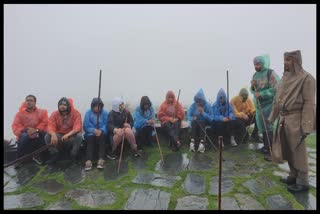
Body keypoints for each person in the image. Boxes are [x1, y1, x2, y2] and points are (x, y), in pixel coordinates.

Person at [268, 50, 315, 193]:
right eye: (284, 60)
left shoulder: (307, 78)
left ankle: (303, 181)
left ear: (296, 61)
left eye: (288, 60)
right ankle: (293, 175)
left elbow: (309, 103)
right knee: (287, 149)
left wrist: (306, 125)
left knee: (297, 151)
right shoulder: (284, 79)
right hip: (283, 119)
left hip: (296, 119)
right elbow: (277, 100)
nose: (285, 63)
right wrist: (272, 117)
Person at [250, 54, 280, 161]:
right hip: (259, 105)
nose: (256, 66)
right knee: (262, 126)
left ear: (263, 64)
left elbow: (277, 88)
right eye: (254, 64)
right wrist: (252, 86)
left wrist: (262, 94)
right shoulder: (255, 75)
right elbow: (253, 90)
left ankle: (272, 150)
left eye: (258, 64)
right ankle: (266, 146)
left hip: (269, 104)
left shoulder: (270, 73)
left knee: (268, 125)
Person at [11, 95, 48, 165]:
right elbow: (15, 127)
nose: (28, 102)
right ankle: (20, 159)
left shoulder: (42, 112)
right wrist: (26, 130)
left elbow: (45, 123)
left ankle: (44, 156)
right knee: (24, 136)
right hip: (25, 134)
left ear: (35, 102)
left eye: (31, 100)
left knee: (45, 135)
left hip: (38, 133)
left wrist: (36, 130)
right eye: (27, 100)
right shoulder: (19, 115)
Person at [45, 97, 83, 164]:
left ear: (68, 105)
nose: (62, 106)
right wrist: (53, 135)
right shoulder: (54, 114)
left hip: (71, 136)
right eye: (60, 104)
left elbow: (78, 127)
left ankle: (73, 154)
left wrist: (68, 135)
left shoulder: (76, 113)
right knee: (47, 136)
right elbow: (50, 125)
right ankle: (55, 154)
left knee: (79, 136)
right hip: (59, 137)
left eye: (64, 104)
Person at [83, 98, 109, 171]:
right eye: (95, 106)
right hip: (91, 133)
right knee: (90, 139)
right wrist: (93, 130)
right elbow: (86, 125)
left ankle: (101, 159)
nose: (97, 108)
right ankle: (88, 160)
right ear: (92, 106)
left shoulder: (105, 113)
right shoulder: (88, 113)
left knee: (102, 137)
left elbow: (107, 124)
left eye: (99, 106)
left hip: (101, 132)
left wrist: (101, 130)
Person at [187, 88, 212, 153]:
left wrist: (203, 113)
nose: (197, 103)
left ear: (202, 100)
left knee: (202, 122)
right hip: (195, 123)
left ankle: (202, 143)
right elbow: (188, 115)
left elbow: (211, 118)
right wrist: (192, 118)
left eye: (199, 101)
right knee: (193, 123)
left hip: (204, 123)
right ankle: (192, 142)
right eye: (196, 101)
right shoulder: (193, 106)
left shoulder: (207, 106)